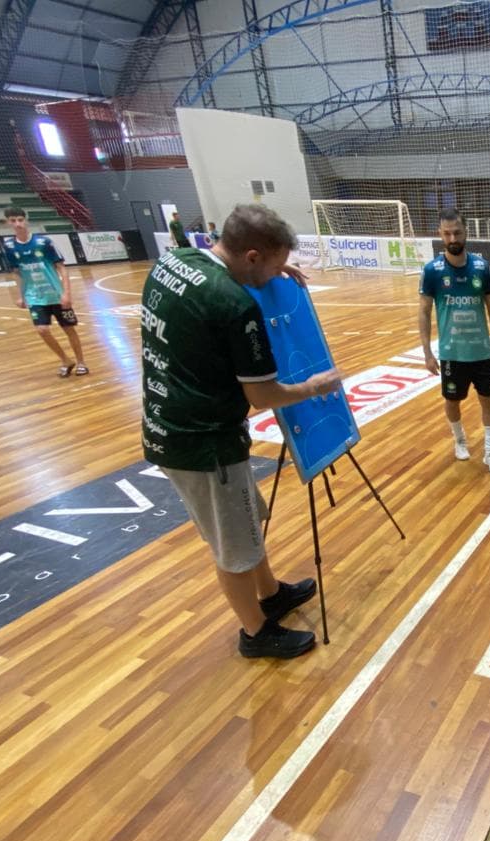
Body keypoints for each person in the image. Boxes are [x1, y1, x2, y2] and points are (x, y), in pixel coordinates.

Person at [140, 203, 343, 660]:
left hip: (171, 420)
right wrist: (315, 385)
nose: (275, 277)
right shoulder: (235, 304)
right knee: (233, 544)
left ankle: (270, 593)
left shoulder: (175, 260)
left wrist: (272, 263)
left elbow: (237, 275)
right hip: (202, 440)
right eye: (271, 266)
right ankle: (255, 632)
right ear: (251, 256)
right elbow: (263, 396)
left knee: (249, 519)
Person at [419, 209, 490, 475]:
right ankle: (459, 439)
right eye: (447, 233)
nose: (452, 237)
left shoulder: (480, 267)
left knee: (488, 400)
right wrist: (427, 353)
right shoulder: (432, 271)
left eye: (457, 232)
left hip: (481, 351)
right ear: (440, 234)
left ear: (466, 231)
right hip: (451, 353)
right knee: (452, 400)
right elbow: (423, 311)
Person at [2, 206, 88, 378]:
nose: (18, 224)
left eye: (20, 219)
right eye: (13, 221)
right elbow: (17, 272)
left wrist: (66, 293)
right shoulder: (9, 246)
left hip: (55, 294)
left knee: (69, 329)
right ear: (7, 223)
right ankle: (65, 360)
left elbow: (62, 268)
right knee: (42, 329)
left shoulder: (44, 242)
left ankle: (81, 362)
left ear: (26, 220)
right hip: (35, 296)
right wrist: (20, 295)